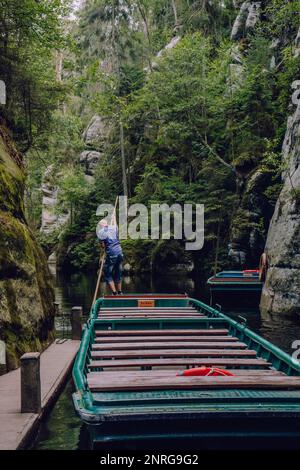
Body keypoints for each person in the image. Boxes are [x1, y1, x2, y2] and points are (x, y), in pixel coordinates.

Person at [96, 215, 124, 295]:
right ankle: (120, 292)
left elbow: (103, 246)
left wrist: (104, 245)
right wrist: (114, 217)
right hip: (119, 252)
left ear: (101, 226)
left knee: (108, 274)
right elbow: (115, 225)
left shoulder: (101, 232)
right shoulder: (114, 228)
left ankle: (114, 293)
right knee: (118, 272)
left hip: (112, 254)